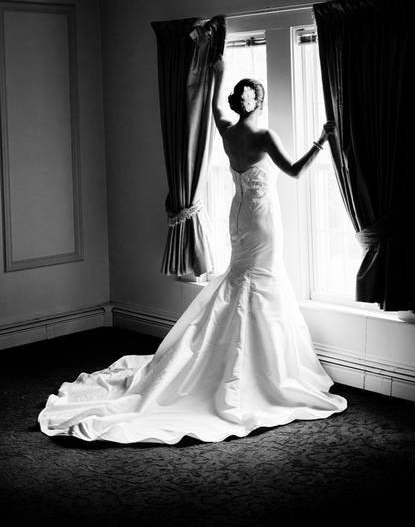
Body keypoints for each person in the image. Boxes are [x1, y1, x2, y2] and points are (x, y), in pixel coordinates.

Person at [37, 61, 346, 444]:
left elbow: (214, 109)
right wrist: (323, 138)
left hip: (238, 215)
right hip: (263, 218)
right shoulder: (263, 134)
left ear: (238, 103)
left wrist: (216, 73)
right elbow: (297, 170)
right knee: (259, 280)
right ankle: (261, 368)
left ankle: (235, 355)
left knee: (242, 278)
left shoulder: (228, 130)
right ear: (259, 103)